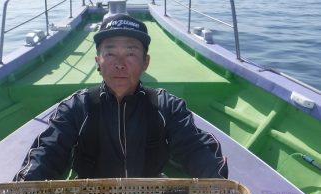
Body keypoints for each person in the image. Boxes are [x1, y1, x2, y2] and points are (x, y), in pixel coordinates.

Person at [14, 14, 227, 181]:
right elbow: (49, 151)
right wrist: (25, 183)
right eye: (110, 53)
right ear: (98, 60)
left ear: (146, 62)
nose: (119, 63)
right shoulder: (77, 107)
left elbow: (195, 148)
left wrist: (216, 183)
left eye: (131, 53)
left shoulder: (167, 107)